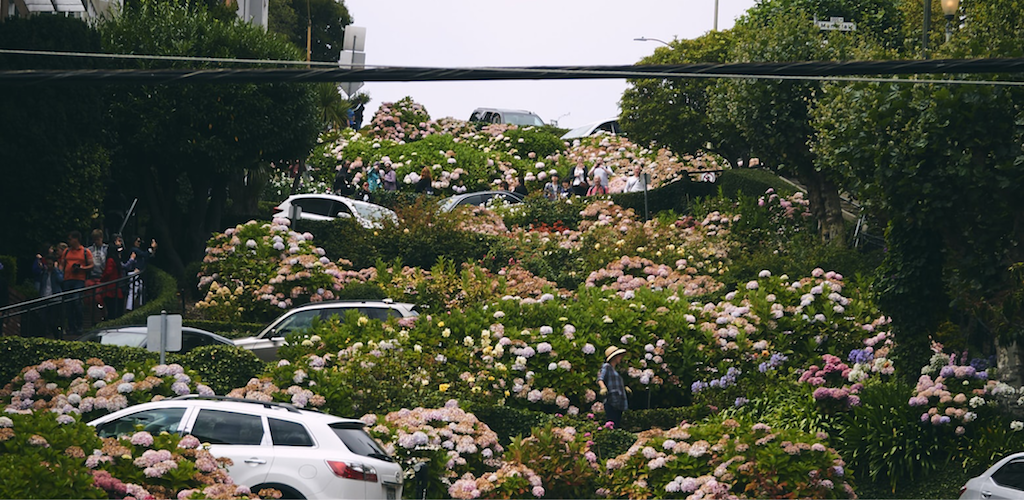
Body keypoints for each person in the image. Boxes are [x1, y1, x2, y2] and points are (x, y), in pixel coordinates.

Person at [62, 230, 93, 338]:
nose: (69, 241)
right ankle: (71, 326)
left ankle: (80, 325)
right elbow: (62, 264)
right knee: (68, 304)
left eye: (71, 239)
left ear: (76, 239)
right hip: (67, 279)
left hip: (79, 279)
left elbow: (91, 265)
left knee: (76, 301)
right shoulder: (66, 251)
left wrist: (81, 268)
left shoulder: (85, 251)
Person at [598, 346, 630, 429]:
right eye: (619, 356)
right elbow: (600, 378)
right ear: (614, 357)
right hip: (611, 401)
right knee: (612, 424)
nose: (621, 358)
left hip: (618, 401)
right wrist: (603, 387)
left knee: (616, 424)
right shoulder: (606, 366)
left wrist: (624, 388)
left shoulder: (615, 370)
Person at [101, 234, 127, 321]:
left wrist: (102, 279)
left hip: (110, 287)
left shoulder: (110, 260)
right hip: (116, 286)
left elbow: (108, 271)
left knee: (111, 308)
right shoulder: (116, 259)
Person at [86, 229, 108, 316]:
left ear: (101, 238)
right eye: (94, 239)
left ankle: (103, 315)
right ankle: (92, 316)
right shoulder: (89, 250)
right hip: (92, 276)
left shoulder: (106, 249)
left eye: (98, 239)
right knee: (90, 298)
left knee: (100, 298)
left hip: (102, 277)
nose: (96, 241)